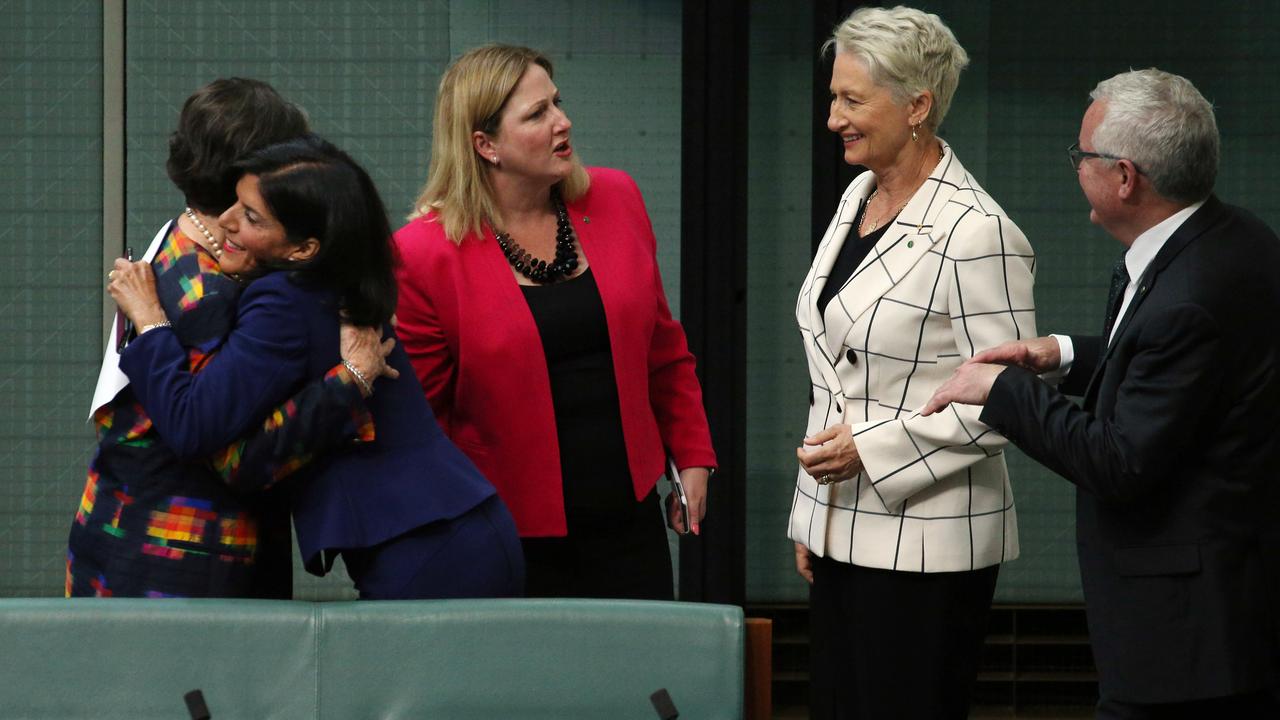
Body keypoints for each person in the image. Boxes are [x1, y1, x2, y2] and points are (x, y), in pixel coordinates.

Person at [924, 69, 1280, 718]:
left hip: (1184, 646)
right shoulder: (1234, 240)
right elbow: (1175, 379)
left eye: (1080, 156)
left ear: (1124, 177)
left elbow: (1120, 462)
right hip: (1222, 616)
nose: (1074, 167)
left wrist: (1003, 390)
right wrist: (1060, 354)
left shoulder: (1188, 296)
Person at [110, 134, 524, 600]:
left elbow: (191, 425)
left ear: (303, 249)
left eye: (250, 216)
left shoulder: (283, 300)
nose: (223, 221)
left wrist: (151, 322)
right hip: (451, 530)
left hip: (428, 547)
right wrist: (348, 380)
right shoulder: (335, 279)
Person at [392, 44, 716, 600]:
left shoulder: (616, 198)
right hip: (504, 535)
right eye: (537, 114)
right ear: (485, 144)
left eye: (557, 103)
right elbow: (423, 422)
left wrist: (692, 457)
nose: (563, 122)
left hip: (629, 521)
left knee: (637, 683)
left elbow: (662, 348)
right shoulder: (424, 253)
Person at [789, 7, 1037, 717]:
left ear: (918, 105)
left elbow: (1007, 400)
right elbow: (837, 374)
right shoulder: (858, 196)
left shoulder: (977, 230)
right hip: (842, 532)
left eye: (851, 100)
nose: (833, 117)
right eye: (832, 97)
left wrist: (869, 450)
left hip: (928, 547)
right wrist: (813, 519)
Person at [69, 78, 371, 599]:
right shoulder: (212, 289)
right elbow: (231, 454)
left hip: (119, 526)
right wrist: (350, 384)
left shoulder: (182, 239)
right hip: (181, 557)